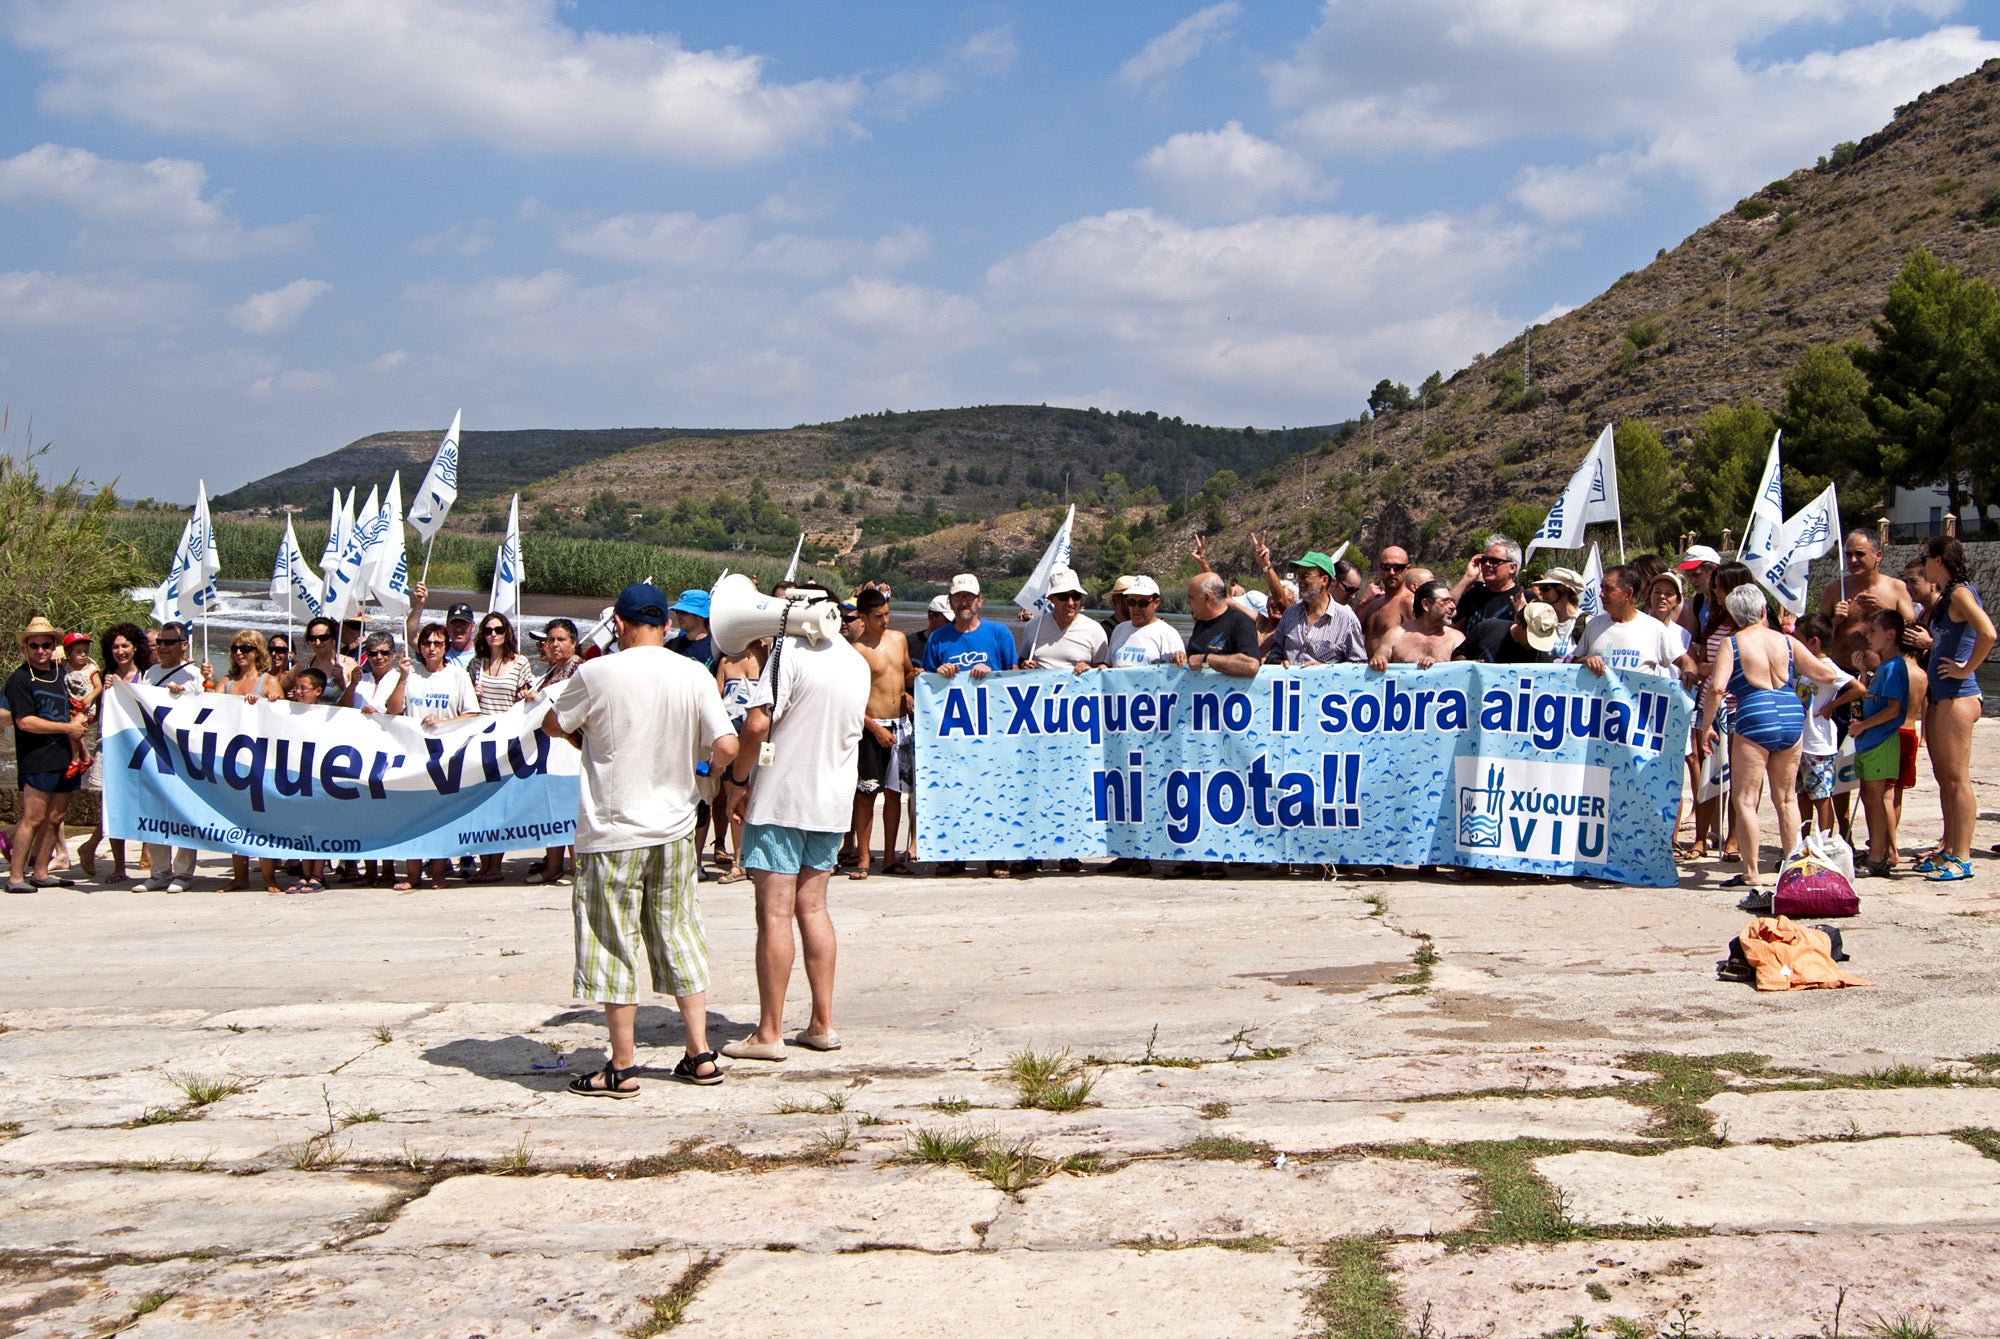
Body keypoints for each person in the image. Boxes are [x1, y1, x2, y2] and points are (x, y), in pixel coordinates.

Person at [544, 582, 738, 1095]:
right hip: (674, 827)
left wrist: (582, 737)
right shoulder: (693, 673)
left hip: (612, 831)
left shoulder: (597, 672)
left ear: (621, 625)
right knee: (679, 936)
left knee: (613, 943)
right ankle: (700, 1054)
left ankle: (623, 1065)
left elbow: (550, 722)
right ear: (666, 625)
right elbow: (727, 744)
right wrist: (701, 774)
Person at [722, 588, 870, 1062]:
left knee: (773, 915)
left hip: (782, 800)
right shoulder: (855, 661)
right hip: (830, 805)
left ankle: (769, 1033)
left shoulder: (789, 652)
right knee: (814, 909)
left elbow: (757, 725)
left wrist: (738, 778)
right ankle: (822, 1024)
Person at [1696, 583, 1849, 901]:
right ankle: (1794, 867)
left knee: (1746, 800)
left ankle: (1752, 872)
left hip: (1754, 715)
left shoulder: (1732, 643)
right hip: (1791, 715)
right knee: (1787, 800)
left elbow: (1716, 689)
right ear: (1764, 610)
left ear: (1734, 616)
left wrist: (1706, 725)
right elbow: (1825, 673)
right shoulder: (1787, 641)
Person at [1908, 536, 1993, 882]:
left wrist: (1965, 668)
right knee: (1945, 778)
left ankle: (1963, 856)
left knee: (1958, 779)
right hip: (1942, 695)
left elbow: (1987, 632)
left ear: (1939, 561)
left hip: (1960, 695)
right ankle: (1948, 847)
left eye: (1926, 558)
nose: (1924, 563)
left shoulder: (1961, 593)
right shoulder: (1944, 599)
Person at [6, 617, 87, 893]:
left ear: (54, 646)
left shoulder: (59, 674)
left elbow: (75, 708)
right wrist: (67, 728)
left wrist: (79, 745)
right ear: (25, 649)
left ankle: (41, 871)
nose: (40, 650)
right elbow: (25, 721)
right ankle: (16, 876)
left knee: (56, 818)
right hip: (36, 756)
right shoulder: (19, 678)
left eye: (45, 645)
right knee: (34, 818)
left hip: (65, 755)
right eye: (34, 646)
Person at [402, 622, 481, 889]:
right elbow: (392, 709)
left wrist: (442, 724)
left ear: (446, 646)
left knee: (441, 816)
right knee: (412, 816)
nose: (432, 648)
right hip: (412, 754)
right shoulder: (410, 674)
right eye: (426, 643)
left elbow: (472, 713)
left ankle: (438, 874)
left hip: (446, 755)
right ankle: (413, 876)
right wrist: (401, 678)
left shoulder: (458, 675)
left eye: (437, 643)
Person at [849, 587, 916, 879]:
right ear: (863, 617)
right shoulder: (856, 651)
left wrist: (915, 688)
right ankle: (864, 857)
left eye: (887, 614)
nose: (885, 621)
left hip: (901, 726)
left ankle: (889, 857)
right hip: (872, 728)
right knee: (866, 794)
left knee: (894, 793)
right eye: (878, 617)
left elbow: (908, 672)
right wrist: (874, 728)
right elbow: (849, 701)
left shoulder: (899, 639)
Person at [77, 622, 150, 881]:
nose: (120, 651)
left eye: (125, 646)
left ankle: (143, 853)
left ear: (135, 647)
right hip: (109, 750)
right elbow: (96, 714)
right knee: (112, 806)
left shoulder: (147, 676)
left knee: (142, 803)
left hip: (139, 751)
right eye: (115, 647)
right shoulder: (104, 678)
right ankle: (119, 867)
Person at [218, 630, 286, 893]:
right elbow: (207, 709)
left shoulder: (268, 682)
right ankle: (240, 877)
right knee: (234, 817)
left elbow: (282, 717)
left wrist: (268, 703)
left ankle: (269, 878)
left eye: (245, 648)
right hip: (230, 759)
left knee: (261, 819)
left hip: (260, 761)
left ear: (257, 651)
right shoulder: (226, 682)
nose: (239, 653)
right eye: (235, 648)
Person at [139, 621, 204, 893]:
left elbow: (205, 710)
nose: (162, 648)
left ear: (183, 645)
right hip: (157, 750)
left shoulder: (194, 675)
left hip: (184, 753)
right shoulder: (151, 673)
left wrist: (182, 696)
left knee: (183, 810)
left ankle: (184, 872)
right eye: (160, 643)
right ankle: (159, 872)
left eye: (168, 643)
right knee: (156, 809)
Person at [470, 612, 533, 883]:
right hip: (479, 740)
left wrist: (526, 694)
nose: (493, 634)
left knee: (499, 806)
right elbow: (466, 699)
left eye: (498, 630)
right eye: (487, 631)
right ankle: (484, 864)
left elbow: (530, 693)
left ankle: (495, 865)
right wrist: (473, 694)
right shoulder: (476, 664)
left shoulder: (520, 662)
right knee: (479, 806)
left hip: (507, 740)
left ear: (507, 633)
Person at [1790, 613, 1860, 844]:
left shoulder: (1828, 667)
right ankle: (1804, 842)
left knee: (1821, 795)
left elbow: (1857, 688)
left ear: (1814, 641)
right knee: (1803, 794)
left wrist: (1833, 705)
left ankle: (1825, 842)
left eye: (1799, 639)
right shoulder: (1804, 667)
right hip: (1802, 740)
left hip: (1819, 741)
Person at [1851, 609, 1911, 879]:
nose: (1868, 636)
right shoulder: (1883, 667)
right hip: (1869, 741)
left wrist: (1863, 726)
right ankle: (1877, 848)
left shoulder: (1895, 667)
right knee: (1868, 796)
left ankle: (1878, 854)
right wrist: (1863, 672)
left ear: (1890, 635)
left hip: (1881, 740)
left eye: (1873, 631)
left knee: (1877, 798)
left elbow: (1893, 708)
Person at [523, 618, 583, 886]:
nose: (555, 645)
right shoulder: (550, 672)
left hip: (572, 746)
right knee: (553, 808)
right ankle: (554, 865)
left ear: (573, 642)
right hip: (551, 749)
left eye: (561, 639)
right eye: (551, 640)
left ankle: (576, 865)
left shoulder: (579, 669)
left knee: (572, 807)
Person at [714, 633, 772, 885]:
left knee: (761, 796)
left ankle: (759, 856)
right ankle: (738, 860)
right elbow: (715, 700)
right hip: (732, 735)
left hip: (759, 736)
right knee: (733, 798)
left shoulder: (767, 656)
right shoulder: (726, 662)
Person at [1578, 566, 1699, 683]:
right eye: (1602, 588)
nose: (1601, 595)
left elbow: (1685, 661)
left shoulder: (1655, 628)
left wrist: (1688, 673)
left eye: (1608, 589)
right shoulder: (1594, 625)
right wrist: (1585, 660)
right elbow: (1572, 663)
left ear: (1628, 593)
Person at [283, 668, 333, 894]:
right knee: (301, 825)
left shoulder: (326, 714)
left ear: (318, 691)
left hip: (319, 777)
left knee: (319, 826)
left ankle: (318, 874)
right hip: (297, 775)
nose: (298, 692)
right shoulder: (289, 711)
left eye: (303, 689)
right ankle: (305, 872)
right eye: (296, 688)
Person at [1270, 552, 1366, 666]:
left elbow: (1358, 665)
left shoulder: (1347, 620)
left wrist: (1324, 670)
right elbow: (1274, 655)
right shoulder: (1290, 614)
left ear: (1324, 580)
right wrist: (1279, 662)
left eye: (1305, 575)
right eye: (1298, 575)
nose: (1299, 580)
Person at [920, 574, 1018, 679]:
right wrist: (938, 674)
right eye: (958, 597)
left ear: (979, 601)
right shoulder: (936, 638)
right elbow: (925, 679)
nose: (963, 602)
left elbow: (1014, 673)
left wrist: (992, 674)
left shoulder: (1000, 633)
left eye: (969, 596)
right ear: (950, 602)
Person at [1020, 567, 1107, 671]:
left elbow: (1102, 671)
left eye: (1076, 596)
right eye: (1063, 596)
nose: (1070, 603)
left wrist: (1089, 669)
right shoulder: (1033, 626)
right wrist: (1024, 665)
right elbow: (1021, 661)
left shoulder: (1095, 630)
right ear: (1052, 598)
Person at [1180, 572, 1261, 676]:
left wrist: (1206, 660)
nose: (1187, 602)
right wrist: (1181, 658)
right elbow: (1193, 660)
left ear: (1207, 598)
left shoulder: (1240, 622)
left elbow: (1251, 665)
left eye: (1191, 597)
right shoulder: (1201, 621)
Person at [1372, 580, 1463, 669]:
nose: (1453, 606)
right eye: (1445, 601)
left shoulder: (1456, 639)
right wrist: (1378, 661)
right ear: (1426, 604)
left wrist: (1437, 668)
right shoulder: (1395, 635)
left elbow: (1464, 673)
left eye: (1452, 601)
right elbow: (1378, 663)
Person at [1450, 535, 1523, 643]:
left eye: (1494, 561)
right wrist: (1467, 579)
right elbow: (1442, 608)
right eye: (1484, 560)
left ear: (1512, 567)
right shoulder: (1472, 596)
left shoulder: (1524, 598)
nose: (1487, 564)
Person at [1107, 576, 1182, 667]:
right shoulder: (1119, 630)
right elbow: (1108, 666)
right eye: (1131, 602)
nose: (1136, 608)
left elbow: (1175, 672)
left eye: (1142, 603)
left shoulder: (1168, 634)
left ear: (1156, 603)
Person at [1356, 546, 1414, 655]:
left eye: (1398, 567)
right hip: (1367, 669)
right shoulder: (1372, 602)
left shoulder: (1409, 603)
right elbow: (1352, 633)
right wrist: (1362, 602)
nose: (1392, 572)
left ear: (1407, 569)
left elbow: (1418, 643)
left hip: (1394, 670)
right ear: (1379, 568)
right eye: (1386, 567)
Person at [405, 584, 477, 671]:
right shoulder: (436, 649)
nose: (458, 629)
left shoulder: (483, 653)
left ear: (472, 627)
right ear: (447, 627)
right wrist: (419, 604)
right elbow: (409, 636)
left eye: (463, 624)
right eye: (454, 624)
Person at [300, 616, 350, 701]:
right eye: (312, 638)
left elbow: (358, 699)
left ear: (333, 638)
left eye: (323, 638)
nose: (318, 643)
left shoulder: (348, 663)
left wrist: (341, 681)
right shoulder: (303, 665)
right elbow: (282, 686)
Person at [667, 591, 718, 669]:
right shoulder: (671, 646)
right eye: (677, 612)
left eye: (684, 612)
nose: (678, 616)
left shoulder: (717, 648)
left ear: (701, 616)